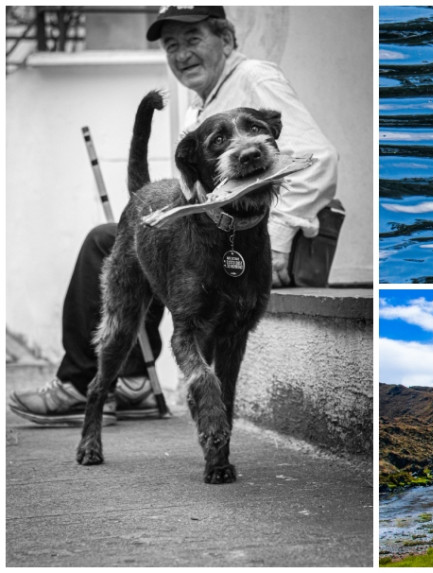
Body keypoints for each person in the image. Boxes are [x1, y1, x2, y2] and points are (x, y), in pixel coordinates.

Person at [8, 6, 338, 427]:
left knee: (105, 241)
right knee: (122, 240)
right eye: (171, 46)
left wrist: (277, 238)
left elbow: (320, 159)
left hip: (257, 251)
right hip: (218, 242)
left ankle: (88, 383)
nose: (181, 55)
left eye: (193, 39)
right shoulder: (202, 102)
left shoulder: (254, 77)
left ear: (226, 38)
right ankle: (128, 380)